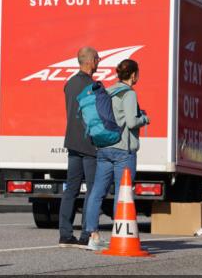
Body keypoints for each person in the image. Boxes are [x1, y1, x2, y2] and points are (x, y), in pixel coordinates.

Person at [81, 58, 149, 251]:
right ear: (134, 75)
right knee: (122, 193)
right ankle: (119, 235)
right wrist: (145, 118)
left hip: (104, 147)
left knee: (97, 192)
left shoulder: (108, 91)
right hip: (123, 151)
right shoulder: (129, 94)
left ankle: (93, 235)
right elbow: (132, 121)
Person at [59, 47, 99, 248]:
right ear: (91, 61)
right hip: (89, 143)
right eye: (97, 59)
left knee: (71, 190)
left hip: (72, 142)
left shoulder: (70, 83)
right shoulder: (94, 86)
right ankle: (86, 234)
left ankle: (65, 234)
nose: (98, 62)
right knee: (92, 190)